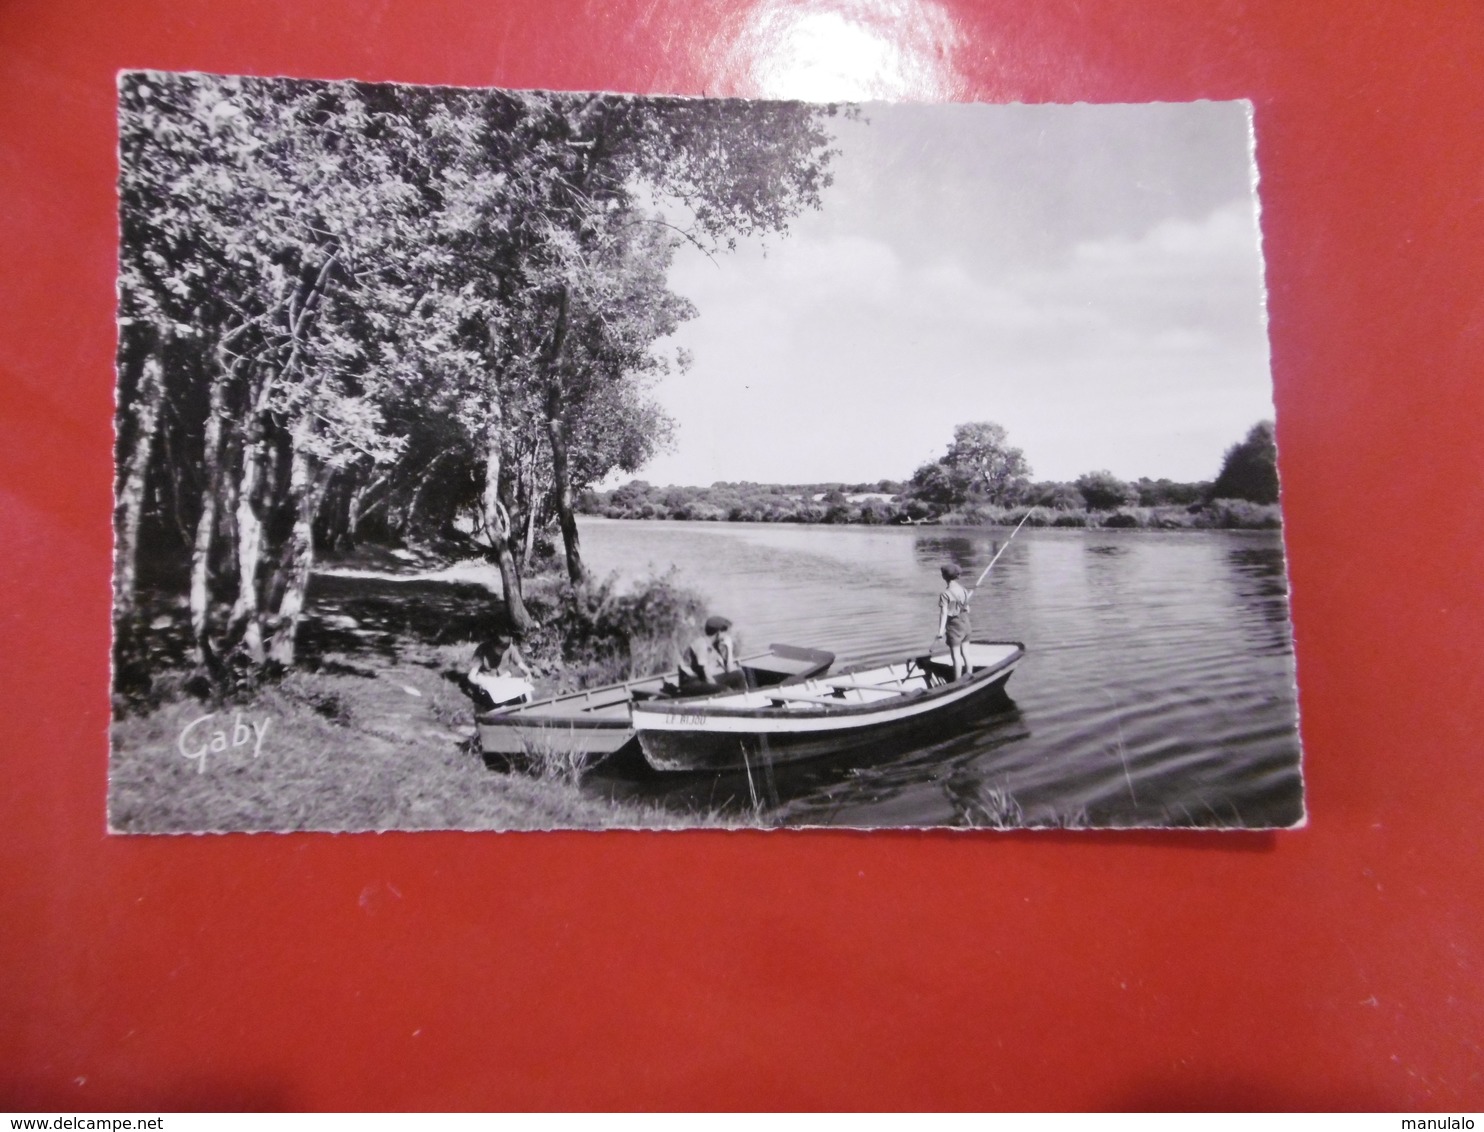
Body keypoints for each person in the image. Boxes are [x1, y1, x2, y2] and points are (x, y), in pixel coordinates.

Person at [468, 621, 536, 708]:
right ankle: (501, 706)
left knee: (524, 684)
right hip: (488, 679)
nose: (503, 652)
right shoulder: (483, 650)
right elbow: (471, 676)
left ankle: (529, 705)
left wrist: (528, 674)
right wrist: (480, 683)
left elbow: (522, 666)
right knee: (495, 693)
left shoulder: (510, 648)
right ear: (494, 644)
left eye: (505, 649)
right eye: (500, 649)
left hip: (503, 678)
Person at [677, 615, 747, 695]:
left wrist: (729, 647)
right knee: (725, 690)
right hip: (690, 683)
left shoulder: (714, 646)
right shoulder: (701, 644)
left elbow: (729, 669)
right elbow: (706, 675)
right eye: (725, 632)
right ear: (718, 632)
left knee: (738, 675)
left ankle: (745, 698)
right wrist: (718, 687)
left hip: (701, 680)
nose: (727, 635)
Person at [934, 564, 973, 681]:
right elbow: (968, 609)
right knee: (966, 653)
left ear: (944, 577)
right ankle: (970, 675)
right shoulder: (964, 591)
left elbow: (944, 614)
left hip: (954, 628)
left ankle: (958, 683)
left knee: (956, 657)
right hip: (966, 625)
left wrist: (940, 632)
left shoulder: (945, 594)